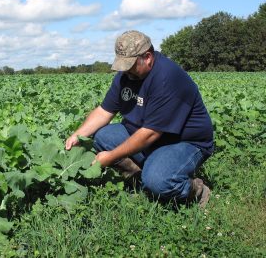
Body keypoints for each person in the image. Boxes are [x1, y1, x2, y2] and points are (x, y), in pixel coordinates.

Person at [65, 30, 214, 208]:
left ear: (148, 57)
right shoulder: (126, 76)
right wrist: (77, 135)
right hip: (146, 134)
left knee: (159, 181)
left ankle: (195, 190)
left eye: (131, 65)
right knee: (103, 136)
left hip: (183, 142)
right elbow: (104, 111)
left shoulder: (166, 77)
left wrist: (110, 157)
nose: (126, 70)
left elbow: (150, 134)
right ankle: (141, 181)